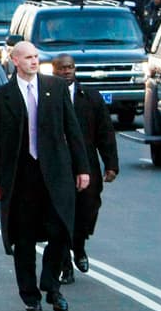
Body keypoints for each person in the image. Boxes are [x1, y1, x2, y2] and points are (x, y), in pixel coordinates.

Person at [0, 41, 89, 311]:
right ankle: (30, 295)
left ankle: (52, 286)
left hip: (55, 173)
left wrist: (83, 169)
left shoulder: (55, 88)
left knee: (61, 229)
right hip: (20, 177)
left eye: (36, 57)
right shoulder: (0, 97)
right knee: (24, 238)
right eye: (28, 57)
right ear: (15, 60)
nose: (33, 61)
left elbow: (72, 130)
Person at [50, 54, 119, 284]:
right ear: (54, 70)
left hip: (86, 164)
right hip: (58, 166)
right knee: (61, 215)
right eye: (62, 68)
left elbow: (105, 132)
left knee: (88, 206)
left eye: (70, 67)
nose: (67, 71)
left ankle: (78, 246)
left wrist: (111, 164)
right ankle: (65, 265)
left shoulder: (90, 97)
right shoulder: (46, 97)